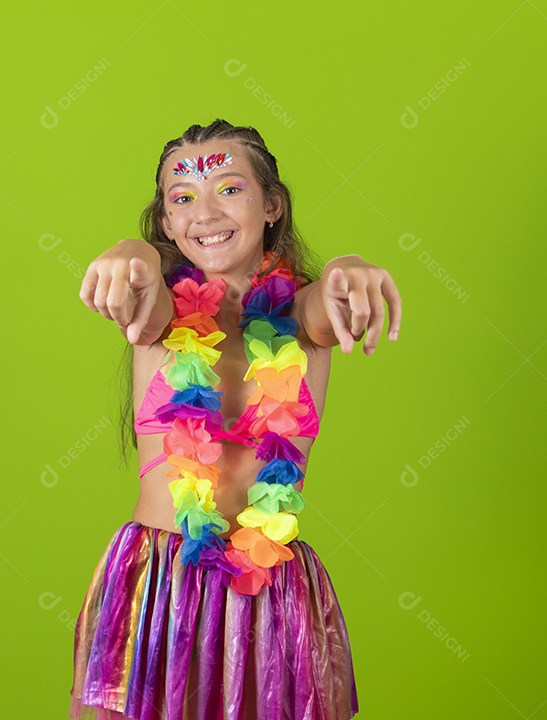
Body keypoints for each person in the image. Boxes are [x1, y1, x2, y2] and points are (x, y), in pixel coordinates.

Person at [72, 119, 402, 720]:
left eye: (230, 189)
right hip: (158, 582)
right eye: (183, 198)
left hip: (267, 584)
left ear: (273, 204)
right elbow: (143, 290)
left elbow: (327, 304)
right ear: (168, 222)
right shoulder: (162, 311)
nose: (205, 211)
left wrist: (347, 268)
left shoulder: (301, 313)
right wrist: (133, 252)